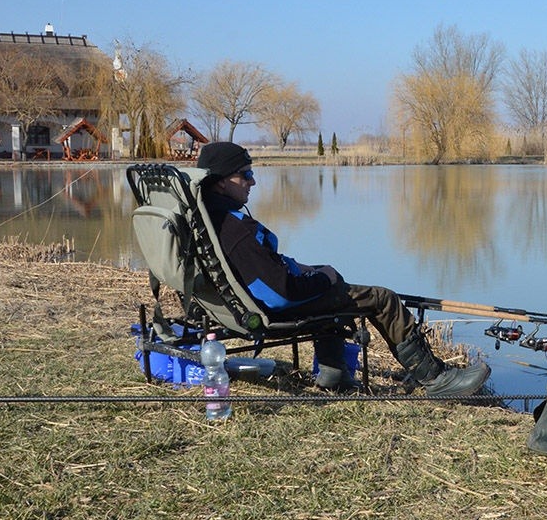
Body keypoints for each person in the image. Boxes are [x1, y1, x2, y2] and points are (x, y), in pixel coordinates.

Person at [195, 141, 489, 396]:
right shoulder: (236, 230)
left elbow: (264, 272)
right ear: (221, 181)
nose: (253, 182)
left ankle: (333, 375)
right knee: (382, 299)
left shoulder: (211, 219)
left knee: (332, 285)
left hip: (246, 302)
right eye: (246, 175)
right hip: (269, 311)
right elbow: (281, 295)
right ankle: (437, 379)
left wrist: (303, 269)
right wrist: (324, 278)